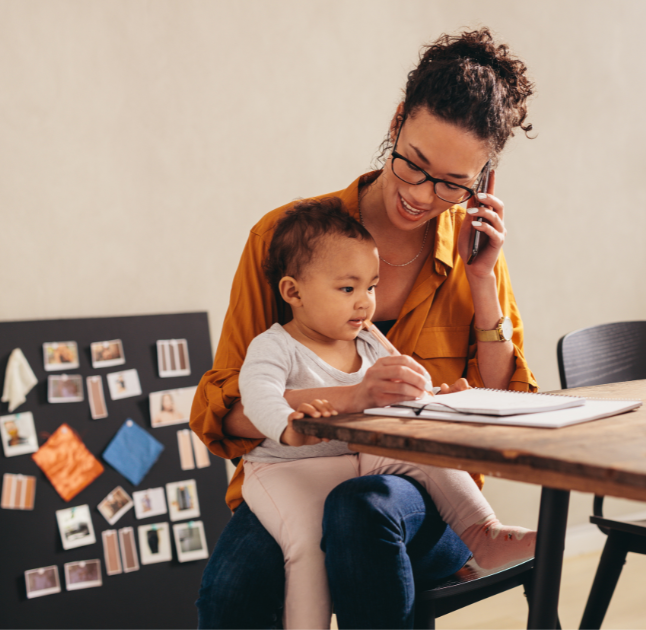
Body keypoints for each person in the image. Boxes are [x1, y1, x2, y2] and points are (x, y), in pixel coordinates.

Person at [190, 27, 537, 628]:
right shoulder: (285, 240)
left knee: (361, 510)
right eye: (414, 164)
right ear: (398, 120)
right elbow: (223, 409)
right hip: (298, 475)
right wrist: (342, 404)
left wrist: (483, 283)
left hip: (422, 500)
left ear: (482, 181)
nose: (423, 196)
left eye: (454, 183)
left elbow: (506, 402)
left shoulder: (476, 255)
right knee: (231, 589)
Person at [238, 200, 535, 628]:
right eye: (347, 289)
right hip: (288, 470)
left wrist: (439, 398)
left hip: (356, 457)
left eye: (371, 287)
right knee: (305, 546)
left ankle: (483, 534)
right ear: (293, 292)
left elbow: (406, 392)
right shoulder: (274, 346)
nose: (364, 303)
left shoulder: (369, 340)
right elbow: (258, 397)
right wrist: (289, 428)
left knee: (420, 450)